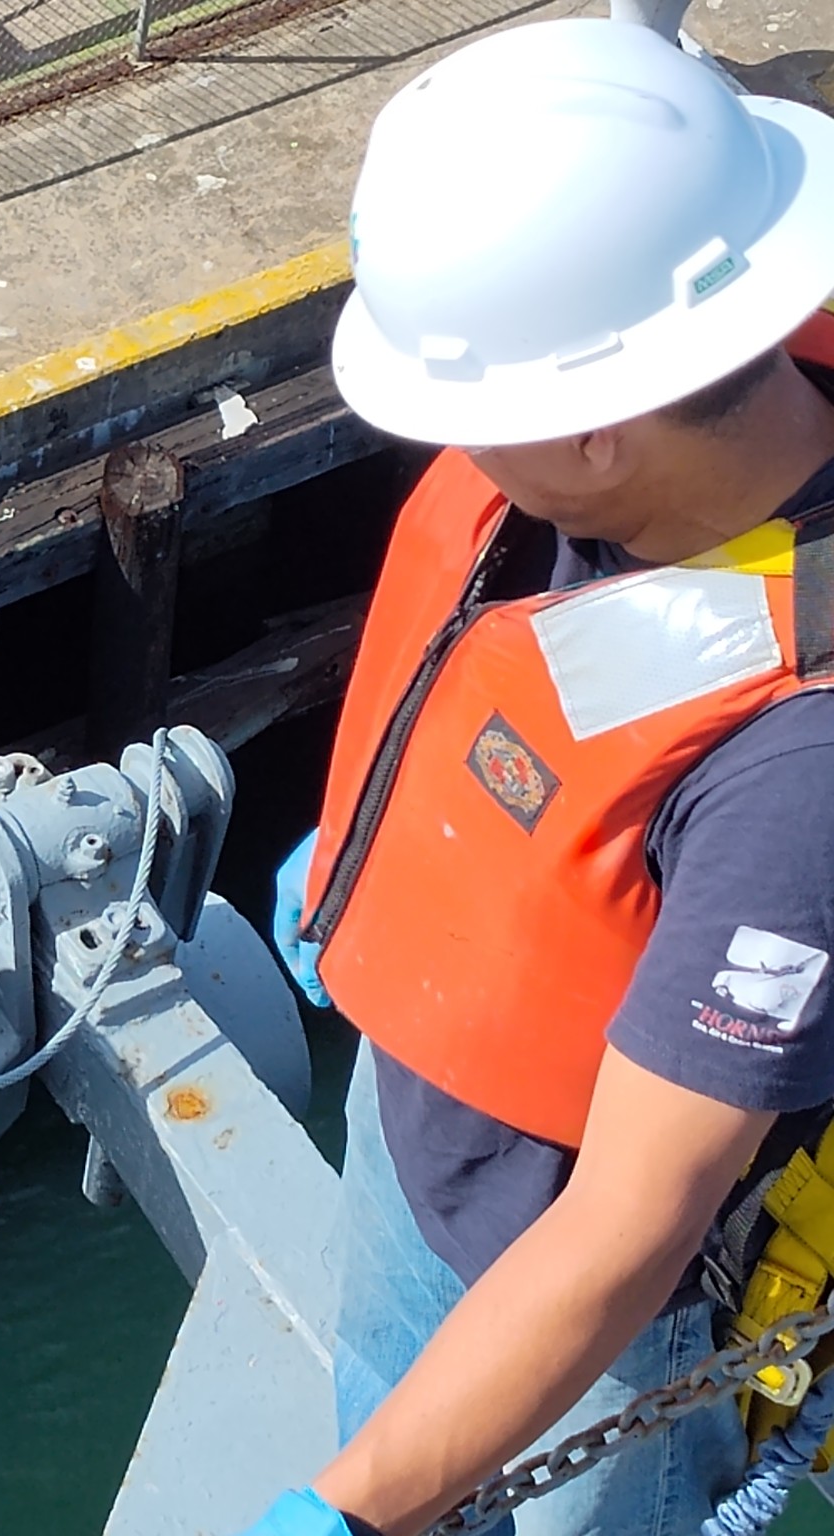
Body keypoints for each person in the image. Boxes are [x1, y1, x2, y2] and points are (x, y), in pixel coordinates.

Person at [240, 14, 834, 1536]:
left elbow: (631, 1222)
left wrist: (349, 1511)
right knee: (385, 1383)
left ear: (592, 432)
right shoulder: (644, 437)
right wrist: (386, 871)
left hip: (600, 1299)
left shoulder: (802, 776)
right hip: (423, 1118)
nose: (453, 448)